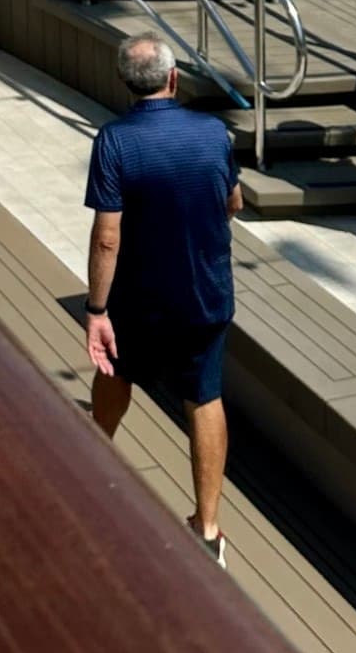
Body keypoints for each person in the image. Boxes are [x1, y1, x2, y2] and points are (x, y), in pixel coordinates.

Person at [83, 34, 240, 566]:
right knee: (204, 396)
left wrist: (96, 311)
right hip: (205, 295)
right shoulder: (214, 133)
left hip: (138, 298)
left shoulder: (114, 141)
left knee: (115, 373)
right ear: (175, 79)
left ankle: (92, 459)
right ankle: (209, 527)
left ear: (126, 84)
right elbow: (233, 201)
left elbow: (107, 235)